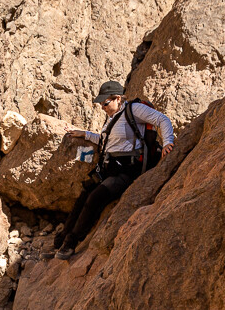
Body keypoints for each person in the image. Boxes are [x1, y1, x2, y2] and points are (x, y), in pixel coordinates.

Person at [52, 80, 175, 260]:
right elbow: (106, 141)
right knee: (84, 195)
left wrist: (168, 142)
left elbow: (161, 119)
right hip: (110, 168)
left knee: (95, 198)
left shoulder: (133, 110)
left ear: (117, 98)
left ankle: (71, 243)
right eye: (101, 103)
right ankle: (61, 239)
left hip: (127, 170)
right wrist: (83, 134)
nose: (102, 106)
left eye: (105, 102)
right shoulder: (111, 119)